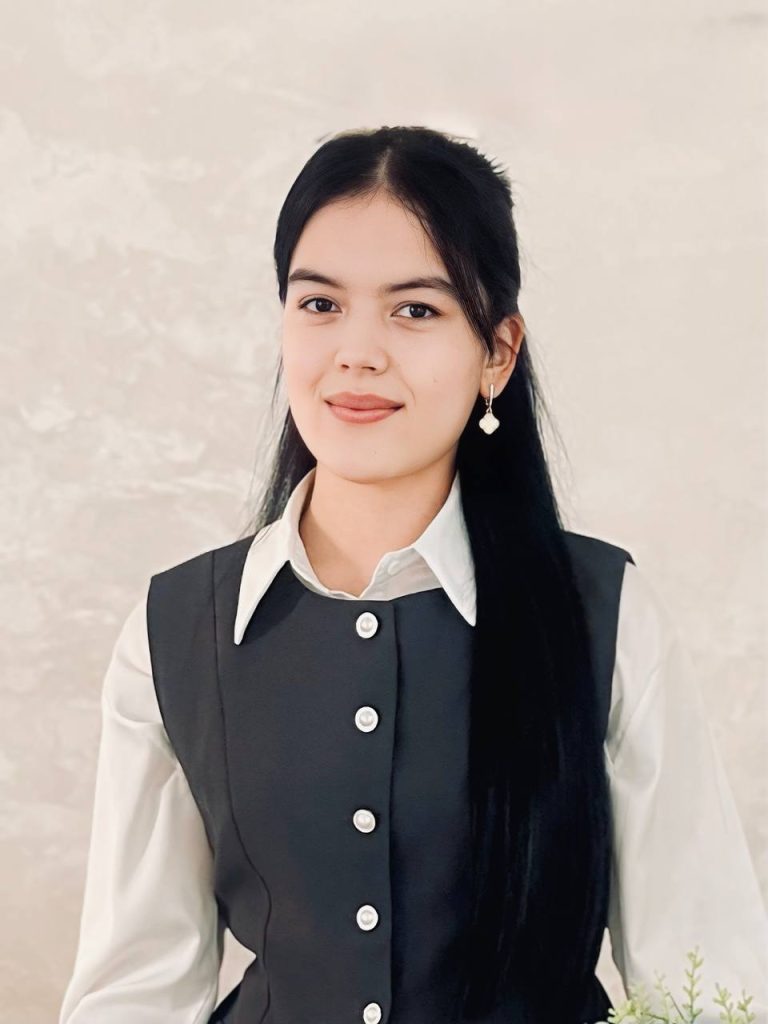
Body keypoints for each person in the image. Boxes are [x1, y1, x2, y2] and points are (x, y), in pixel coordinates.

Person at [58, 126, 768, 1024]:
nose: (357, 352)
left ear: (497, 354)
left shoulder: (606, 615)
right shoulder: (174, 631)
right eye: (319, 305)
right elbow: (135, 990)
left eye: (416, 310)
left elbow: (706, 985)